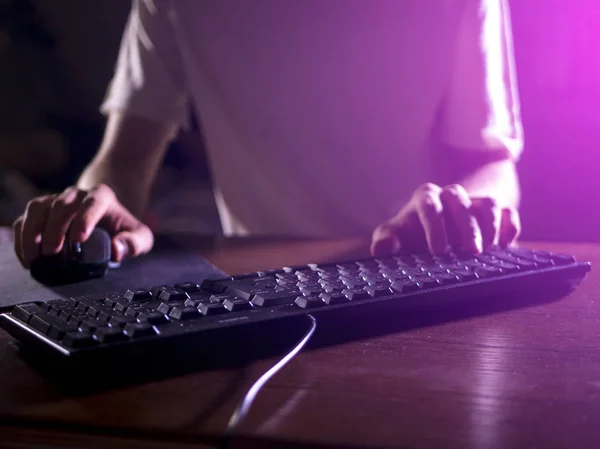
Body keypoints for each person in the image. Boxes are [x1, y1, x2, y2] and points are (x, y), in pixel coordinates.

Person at [12, 0, 523, 269]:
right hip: (260, 289)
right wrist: (93, 206)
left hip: (418, 274)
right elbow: (124, 159)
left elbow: (492, 163)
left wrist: (458, 212)